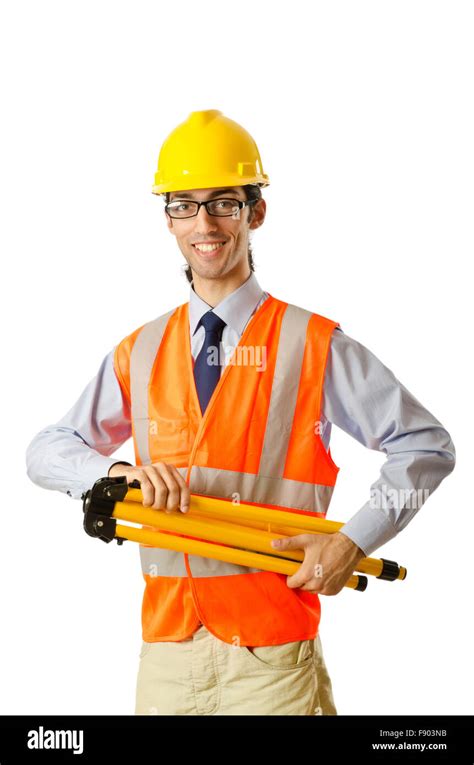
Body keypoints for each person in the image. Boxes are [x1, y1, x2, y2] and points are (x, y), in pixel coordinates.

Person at [26, 109, 456, 716]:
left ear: (256, 212)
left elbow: (427, 447)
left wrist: (353, 543)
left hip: (272, 659)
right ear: (169, 218)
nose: (204, 222)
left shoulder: (313, 344)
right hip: (168, 654)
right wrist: (110, 476)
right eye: (185, 204)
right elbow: (46, 450)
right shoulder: (141, 349)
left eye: (224, 202)